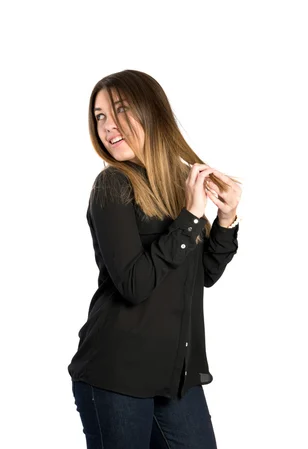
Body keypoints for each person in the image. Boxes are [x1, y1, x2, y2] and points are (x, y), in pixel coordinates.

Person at [68, 70, 241, 449]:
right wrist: (191, 219)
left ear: (152, 112)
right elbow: (135, 284)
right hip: (117, 374)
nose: (108, 126)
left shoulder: (181, 183)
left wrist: (226, 221)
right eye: (99, 116)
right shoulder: (113, 185)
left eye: (119, 111)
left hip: (175, 375)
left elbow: (203, 274)